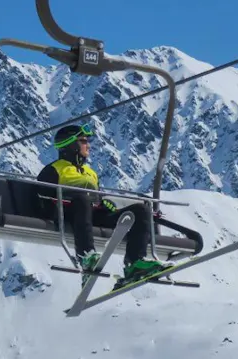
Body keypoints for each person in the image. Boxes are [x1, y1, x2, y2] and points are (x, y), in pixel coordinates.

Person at [36, 123, 171, 287]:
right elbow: (42, 198)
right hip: (66, 213)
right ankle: (86, 257)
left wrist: (104, 204)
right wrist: (64, 204)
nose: (88, 145)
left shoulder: (90, 173)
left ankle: (134, 263)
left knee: (141, 210)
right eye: (83, 141)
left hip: (91, 215)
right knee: (82, 199)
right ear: (71, 145)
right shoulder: (53, 170)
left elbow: (96, 198)